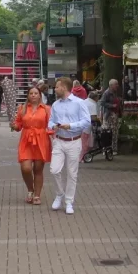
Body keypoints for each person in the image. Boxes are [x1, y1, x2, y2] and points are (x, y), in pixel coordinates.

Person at [47, 77, 92, 214]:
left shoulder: (79, 103)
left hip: (74, 140)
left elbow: (87, 121)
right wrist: (53, 126)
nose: (55, 89)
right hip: (59, 140)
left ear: (64, 88)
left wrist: (71, 126)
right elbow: (50, 122)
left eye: (57, 87)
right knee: (54, 170)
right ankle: (59, 193)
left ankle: (68, 201)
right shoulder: (55, 105)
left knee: (72, 173)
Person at [12, 86, 51, 204]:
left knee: (38, 169)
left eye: (35, 93)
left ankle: (37, 195)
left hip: (41, 140)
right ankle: (30, 190)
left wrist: (53, 133)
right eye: (31, 93)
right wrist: (14, 125)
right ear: (28, 95)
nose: (33, 95)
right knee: (26, 168)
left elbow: (51, 124)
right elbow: (18, 125)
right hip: (26, 140)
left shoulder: (46, 109)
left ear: (40, 95)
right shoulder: (22, 108)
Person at [76, 85, 98, 161]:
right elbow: (93, 117)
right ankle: (82, 157)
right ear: (95, 98)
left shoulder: (84, 101)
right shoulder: (93, 104)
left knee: (80, 141)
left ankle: (78, 156)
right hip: (86, 126)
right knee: (85, 142)